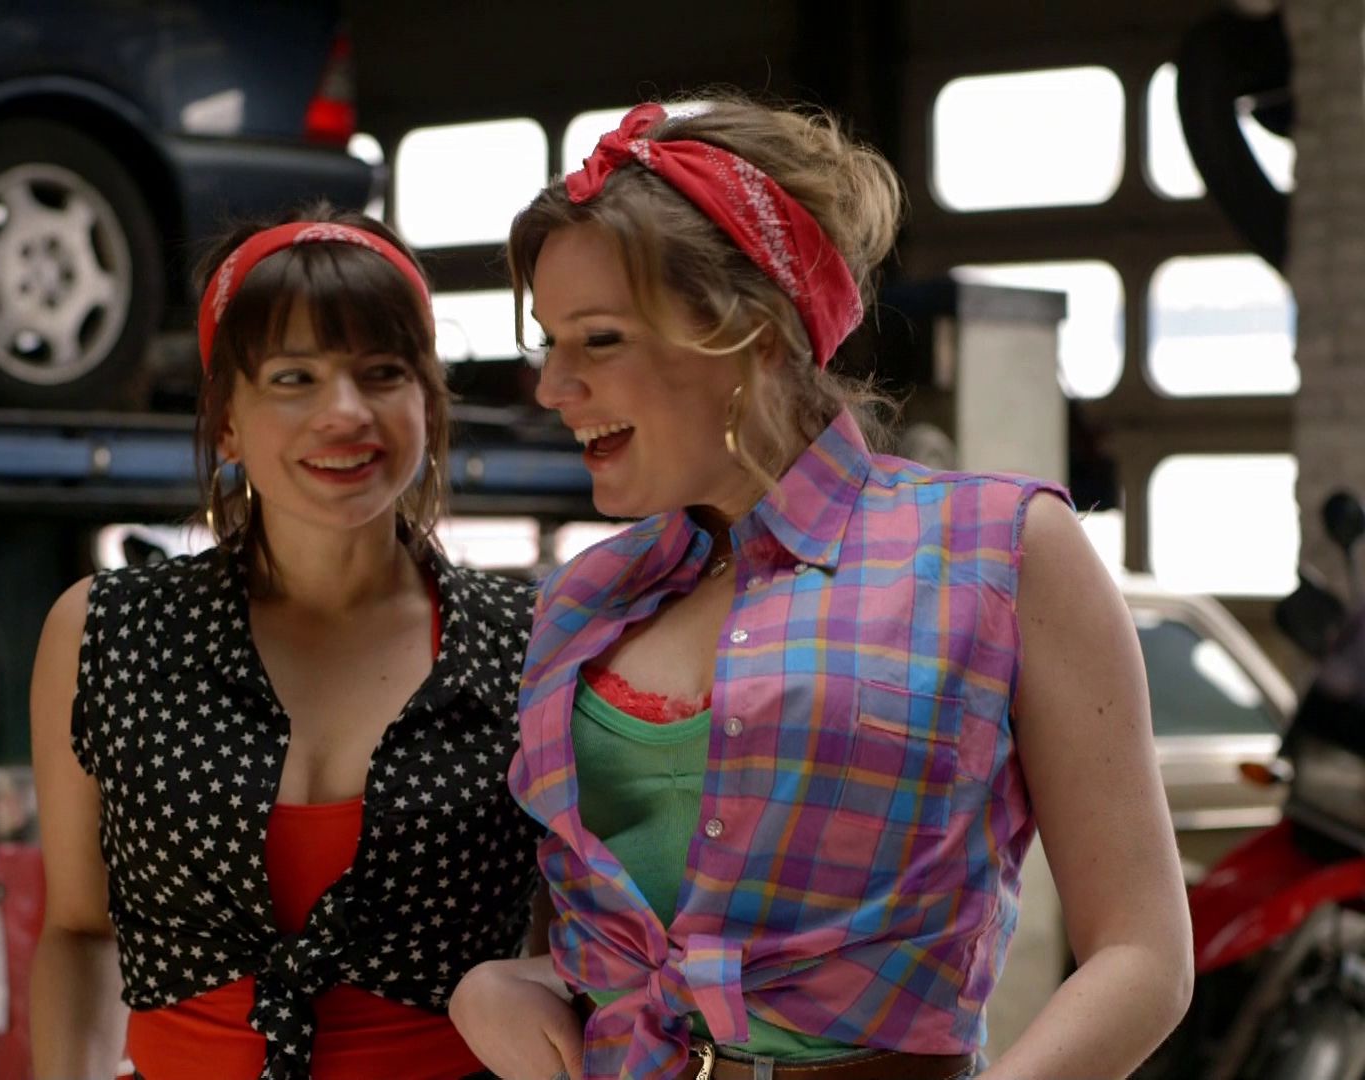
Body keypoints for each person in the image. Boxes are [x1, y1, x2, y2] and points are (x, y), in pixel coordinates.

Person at [450, 97, 1193, 1080]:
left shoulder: (1000, 550)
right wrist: (507, 982)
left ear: (753, 335)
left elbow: (1142, 955)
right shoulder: (583, 600)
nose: (551, 387)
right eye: (549, 341)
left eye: (600, 340)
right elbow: (611, 932)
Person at [28, 203, 544, 1080]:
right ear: (227, 418)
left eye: (382, 373)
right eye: (294, 377)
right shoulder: (105, 632)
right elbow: (80, 930)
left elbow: (573, 948)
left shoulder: (528, 641)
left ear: (427, 402)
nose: (344, 412)